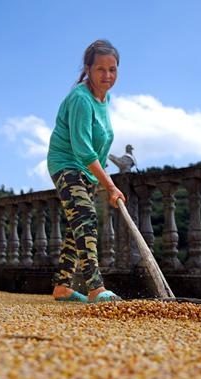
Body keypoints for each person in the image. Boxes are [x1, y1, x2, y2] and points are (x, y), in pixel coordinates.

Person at [46, 40, 126, 303]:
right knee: (86, 218)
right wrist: (111, 186)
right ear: (88, 69)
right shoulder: (81, 99)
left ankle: (62, 287)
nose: (107, 76)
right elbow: (83, 150)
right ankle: (95, 288)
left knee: (75, 225)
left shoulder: (105, 99)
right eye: (101, 69)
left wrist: (105, 182)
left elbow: (99, 150)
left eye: (112, 69)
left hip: (88, 170)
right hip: (67, 164)